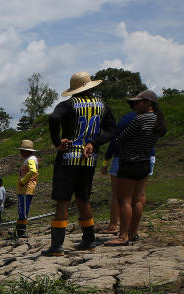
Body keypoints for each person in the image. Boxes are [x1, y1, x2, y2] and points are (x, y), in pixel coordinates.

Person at [44, 71, 116, 256]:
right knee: (83, 199)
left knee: (63, 200)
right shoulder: (102, 107)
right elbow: (111, 130)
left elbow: (53, 119)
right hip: (88, 159)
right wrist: (94, 142)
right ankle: (89, 240)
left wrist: (57, 142)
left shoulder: (68, 105)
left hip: (68, 158)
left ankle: (57, 246)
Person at [106, 89, 168, 247]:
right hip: (144, 161)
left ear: (148, 103)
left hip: (129, 162)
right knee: (138, 199)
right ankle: (133, 232)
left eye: (138, 102)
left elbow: (120, 140)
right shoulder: (157, 121)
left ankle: (123, 235)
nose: (135, 106)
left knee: (124, 200)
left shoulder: (139, 120)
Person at [16, 140, 39, 238]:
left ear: (27, 151)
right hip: (24, 189)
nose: (20, 152)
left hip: (26, 189)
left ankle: (21, 231)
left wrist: (23, 181)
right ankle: (19, 231)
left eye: (22, 150)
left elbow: (33, 171)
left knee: (23, 210)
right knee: (22, 210)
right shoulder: (30, 159)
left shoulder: (30, 159)